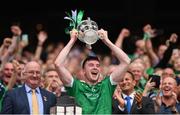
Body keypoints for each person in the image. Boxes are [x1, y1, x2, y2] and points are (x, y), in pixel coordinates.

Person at [54, 29, 131, 114]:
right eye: (91, 65)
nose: (95, 67)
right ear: (83, 71)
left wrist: (106, 41)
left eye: (98, 65)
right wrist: (72, 41)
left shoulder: (107, 85)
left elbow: (126, 61)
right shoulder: (76, 86)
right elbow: (58, 64)